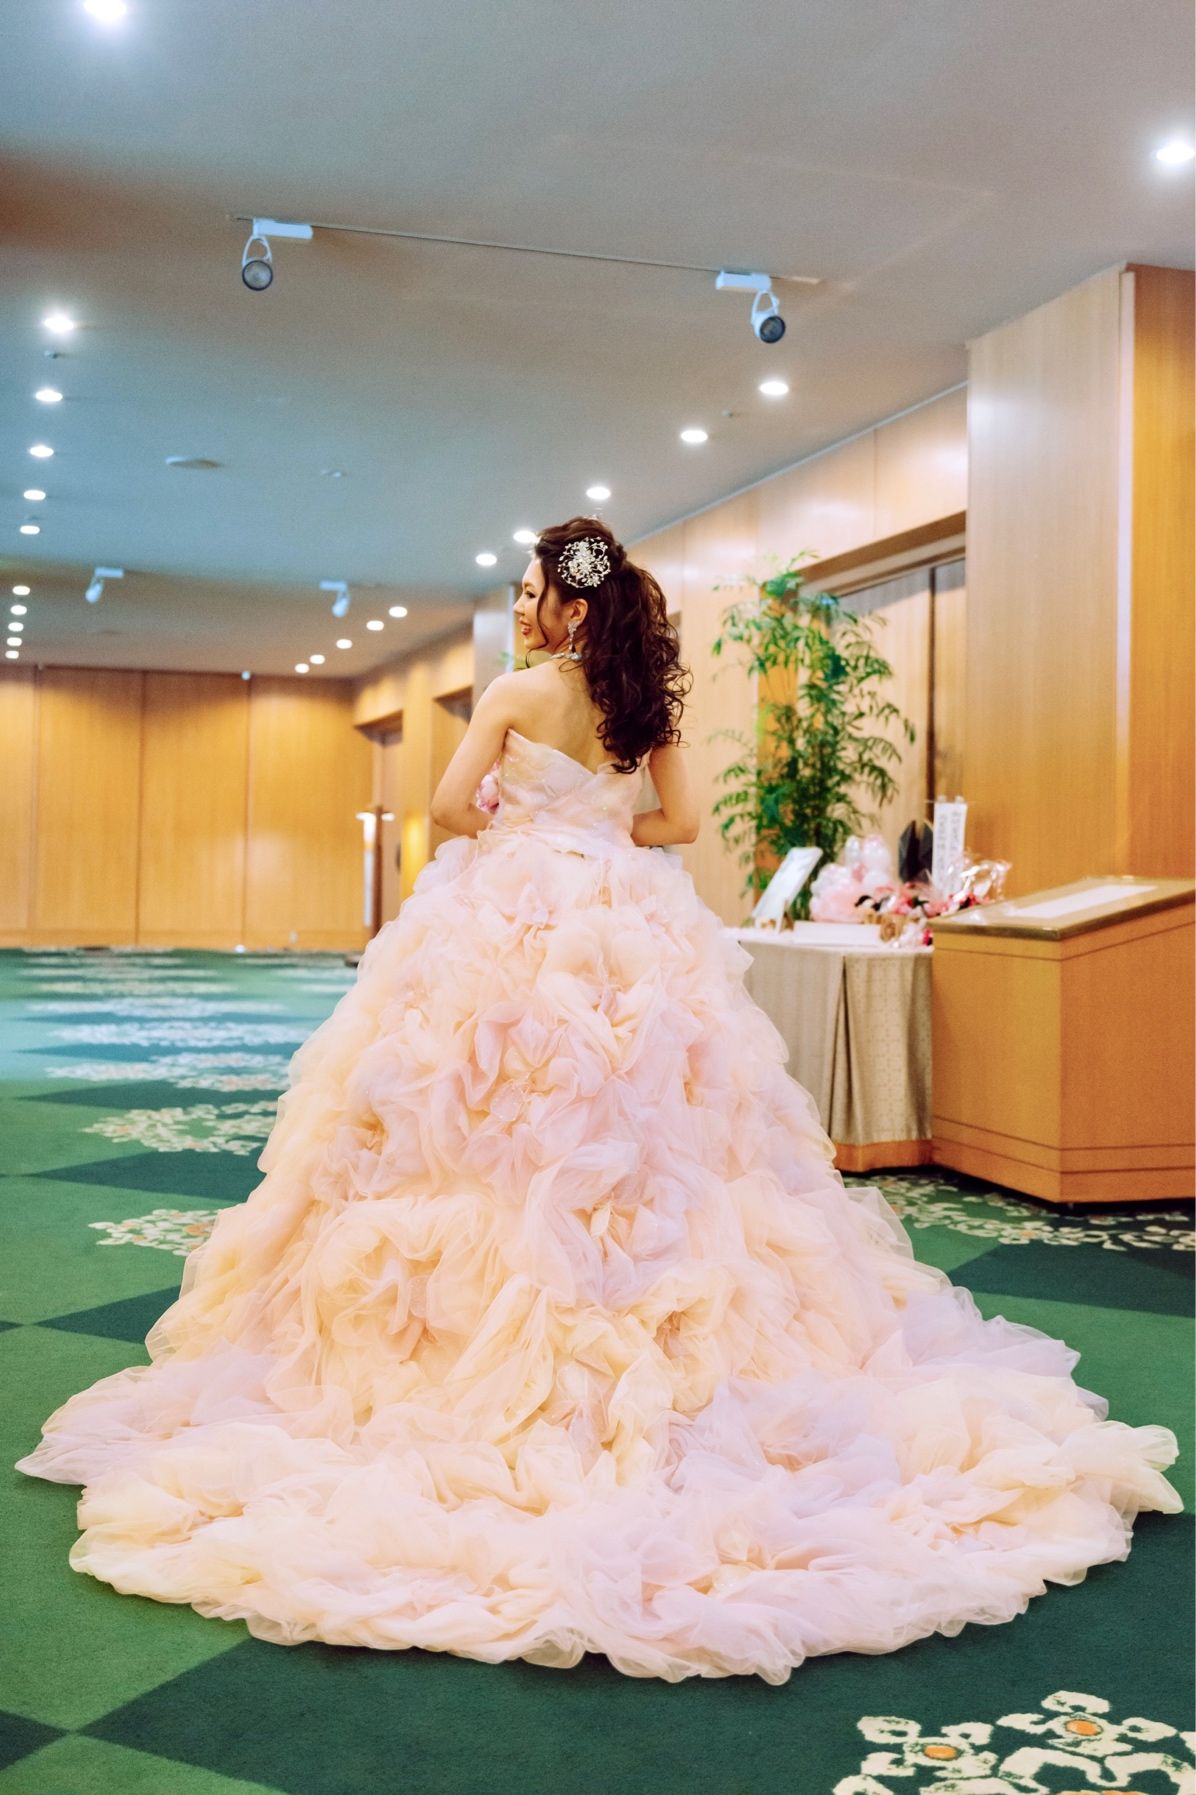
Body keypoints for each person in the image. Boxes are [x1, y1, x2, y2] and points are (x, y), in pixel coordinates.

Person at [16, 517, 1182, 1684]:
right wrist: (600, 823)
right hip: (626, 918)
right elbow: (678, 825)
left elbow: (450, 807)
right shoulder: (641, 705)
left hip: (514, 913)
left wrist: (526, 822)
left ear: (570, 605)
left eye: (532, 591)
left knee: (477, 1105)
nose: (522, 607)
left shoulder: (514, 694)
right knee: (651, 1121)